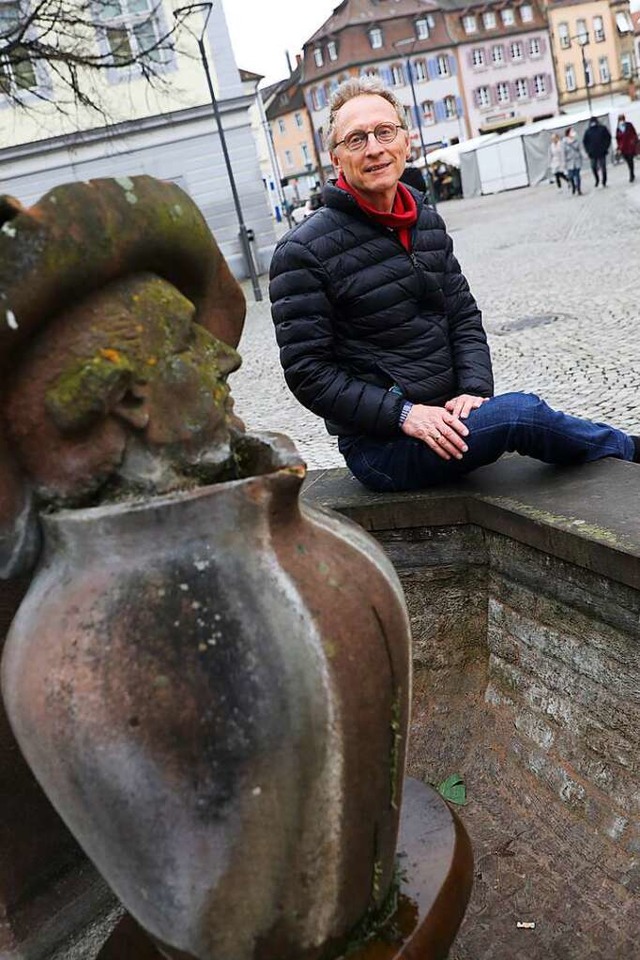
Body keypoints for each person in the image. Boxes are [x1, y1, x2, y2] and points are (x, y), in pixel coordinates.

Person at [269, 78, 639, 493]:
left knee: (514, 413)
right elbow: (308, 373)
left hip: (450, 415)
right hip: (384, 447)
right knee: (521, 414)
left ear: (405, 142)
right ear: (337, 161)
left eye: (384, 132)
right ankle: (631, 450)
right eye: (356, 139)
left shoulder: (424, 219)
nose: (374, 148)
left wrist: (474, 390)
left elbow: (462, 314)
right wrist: (404, 414)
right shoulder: (302, 251)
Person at [582, 117, 611, 187]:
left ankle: (604, 181)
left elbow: (608, 138)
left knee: (603, 167)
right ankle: (597, 179)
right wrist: (588, 150)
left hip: (602, 151)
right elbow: (585, 142)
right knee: (593, 167)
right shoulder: (588, 131)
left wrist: (605, 147)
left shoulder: (602, 128)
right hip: (592, 153)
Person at [616, 114, 638, 183]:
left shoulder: (629, 125)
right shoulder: (618, 128)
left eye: (622, 119)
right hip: (623, 148)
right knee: (628, 161)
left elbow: (634, 134)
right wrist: (619, 147)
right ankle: (631, 172)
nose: (621, 121)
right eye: (620, 119)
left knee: (630, 160)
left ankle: (631, 174)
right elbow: (618, 138)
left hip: (630, 146)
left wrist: (634, 141)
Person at [563, 127, 583, 195]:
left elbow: (580, 149)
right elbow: (563, 153)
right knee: (571, 176)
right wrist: (564, 163)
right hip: (569, 161)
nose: (573, 133)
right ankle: (573, 186)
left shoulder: (576, 140)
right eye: (572, 132)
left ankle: (579, 189)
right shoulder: (564, 142)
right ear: (568, 133)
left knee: (577, 175)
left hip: (577, 160)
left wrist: (584, 156)